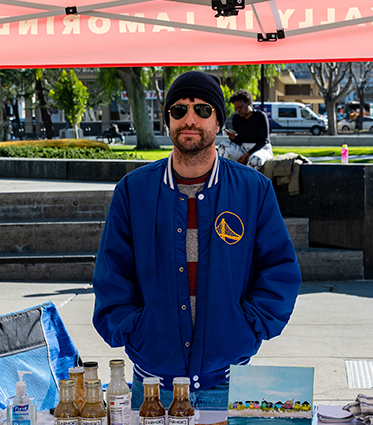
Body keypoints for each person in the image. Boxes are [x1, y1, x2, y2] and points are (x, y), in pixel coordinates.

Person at [92, 71, 302, 411]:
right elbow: (111, 275)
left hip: (229, 382)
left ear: (219, 121)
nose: (190, 119)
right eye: (179, 110)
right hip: (151, 388)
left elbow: (280, 270)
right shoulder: (133, 191)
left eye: (203, 110)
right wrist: (135, 330)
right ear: (168, 121)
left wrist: (247, 328)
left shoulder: (254, 190)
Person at [218, 90, 273, 171]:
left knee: (254, 160)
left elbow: (263, 140)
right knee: (223, 145)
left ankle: (246, 182)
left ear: (249, 103)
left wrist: (247, 155)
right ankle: (222, 174)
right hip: (243, 148)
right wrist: (233, 138)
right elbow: (239, 141)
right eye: (236, 108)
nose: (238, 110)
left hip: (261, 149)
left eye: (240, 107)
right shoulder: (236, 118)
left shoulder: (260, 116)